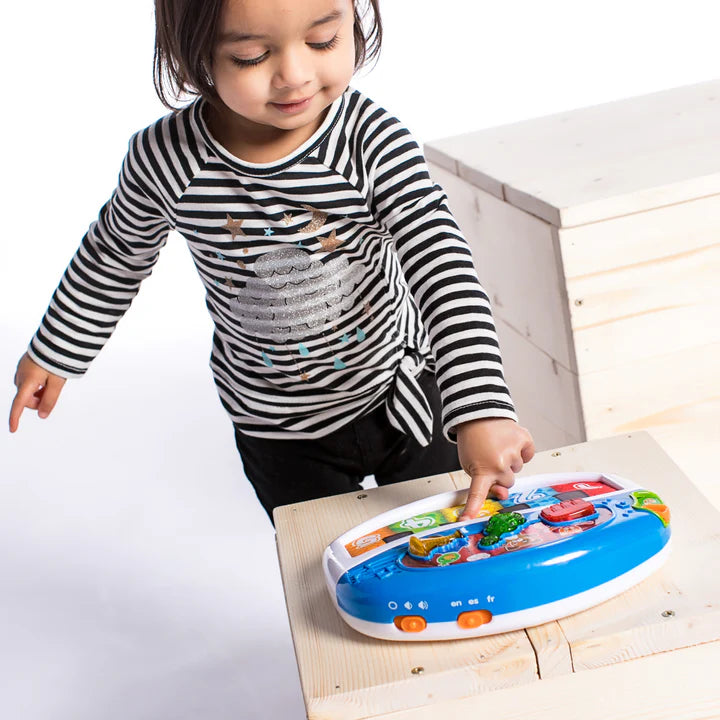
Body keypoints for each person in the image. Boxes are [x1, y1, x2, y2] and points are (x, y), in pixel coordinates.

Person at [9, 0, 535, 523]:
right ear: (194, 52)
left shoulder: (370, 141)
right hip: (277, 432)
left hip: (401, 396)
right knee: (322, 559)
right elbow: (115, 255)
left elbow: (441, 263)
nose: (295, 75)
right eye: (251, 56)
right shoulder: (167, 159)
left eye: (323, 40)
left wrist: (480, 407)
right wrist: (56, 350)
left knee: (456, 541)